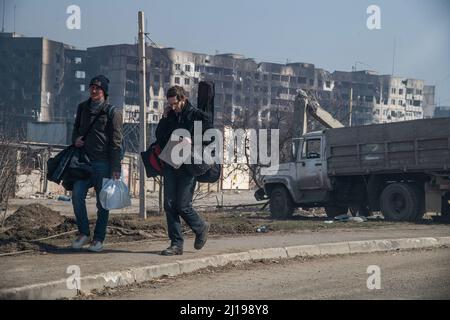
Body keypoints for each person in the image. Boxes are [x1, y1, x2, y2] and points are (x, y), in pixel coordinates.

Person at [156, 86, 212, 255]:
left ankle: (201, 227)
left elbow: (210, 138)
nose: (173, 107)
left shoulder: (197, 116)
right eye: (170, 104)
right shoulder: (170, 115)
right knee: (169, 205)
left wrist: (191, 141)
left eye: (175, 104)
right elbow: (159, 137)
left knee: (182, 205)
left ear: (184, 99)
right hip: (171, 163)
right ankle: (176, 244)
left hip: (189, 165)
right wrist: (164, 118)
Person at [71, 75, 123, 252]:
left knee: (103, 203)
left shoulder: (112, 112)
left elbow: (116, 142)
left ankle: (98, 239)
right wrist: (75, 139)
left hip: (103, 164)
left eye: (97, 88)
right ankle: (84, 233)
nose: (93, 90)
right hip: (83, 163)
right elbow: (75, 130)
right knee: (77, 194)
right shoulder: (82, 108)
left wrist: (116, 167)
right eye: (91, 87)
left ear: (104, 92)